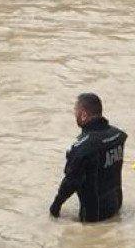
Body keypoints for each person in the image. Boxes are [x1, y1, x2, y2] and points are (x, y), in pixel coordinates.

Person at [50, 93, 128, 223]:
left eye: (76, 112)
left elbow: (70, 182)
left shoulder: (83, 147)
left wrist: (55, 207)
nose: (75, 115)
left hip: (93, 217)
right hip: (116, 205)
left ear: (84, 115)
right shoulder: (118, 135)